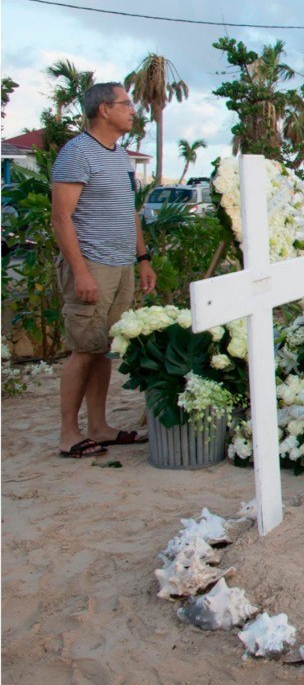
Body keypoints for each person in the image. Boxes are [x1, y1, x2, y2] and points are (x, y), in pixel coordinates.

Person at [51, 82, 156, 458]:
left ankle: (99, 426)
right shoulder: (77, 153)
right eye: (125, 104)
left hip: (122, 264)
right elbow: (61, 218)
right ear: (103, 110)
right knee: (83, 349)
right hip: (92, 264)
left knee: (103, 349)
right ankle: (68, 434)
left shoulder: (118, 155)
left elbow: (130, 212)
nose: (132, 110)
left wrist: (142, 259)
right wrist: (80, 273)